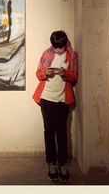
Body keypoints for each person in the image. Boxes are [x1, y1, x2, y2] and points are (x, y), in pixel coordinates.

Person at [33, 30, 78, 183]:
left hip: (62, 100)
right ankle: (51, 164)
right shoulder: (47, 54)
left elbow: (74, 77)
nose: (58, 50)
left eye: (61, 47)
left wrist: (65, 73)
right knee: (49, 131)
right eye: (55, 47)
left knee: (62, 132)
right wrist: (46, 72)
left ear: (65, 44)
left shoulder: (72, 55)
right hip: (46, 98)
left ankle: (63, 164)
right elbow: (38, 74)